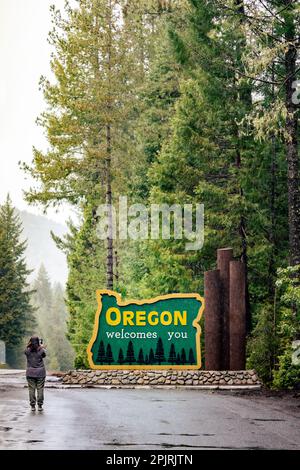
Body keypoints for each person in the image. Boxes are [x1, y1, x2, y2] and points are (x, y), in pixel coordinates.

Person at [25, 336, 46, 412]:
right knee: (40, 389)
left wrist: (29, 344)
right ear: (38, 342)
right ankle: (40, 406)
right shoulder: (41, 350)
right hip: (40, 373)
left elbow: (26, 350)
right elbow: (44, 355)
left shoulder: (27, 351)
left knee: (31, 389)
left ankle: (33, 406)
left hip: (30, 373)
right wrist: (40, 347)